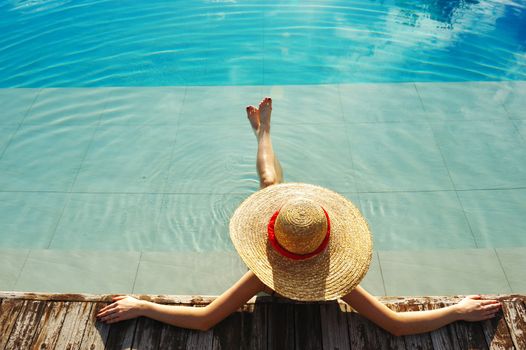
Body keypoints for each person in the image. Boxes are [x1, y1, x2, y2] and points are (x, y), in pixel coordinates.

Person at [96, 97, 501, 336]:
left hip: (288, 248)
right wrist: (456, 311)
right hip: (299, 242)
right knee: (270, 181)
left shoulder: (265, 275)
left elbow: (206, 321)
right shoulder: (334, 279)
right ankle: (264, 133)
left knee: (270, 182)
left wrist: (143, 305)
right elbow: (395, 325)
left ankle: (264, 134)